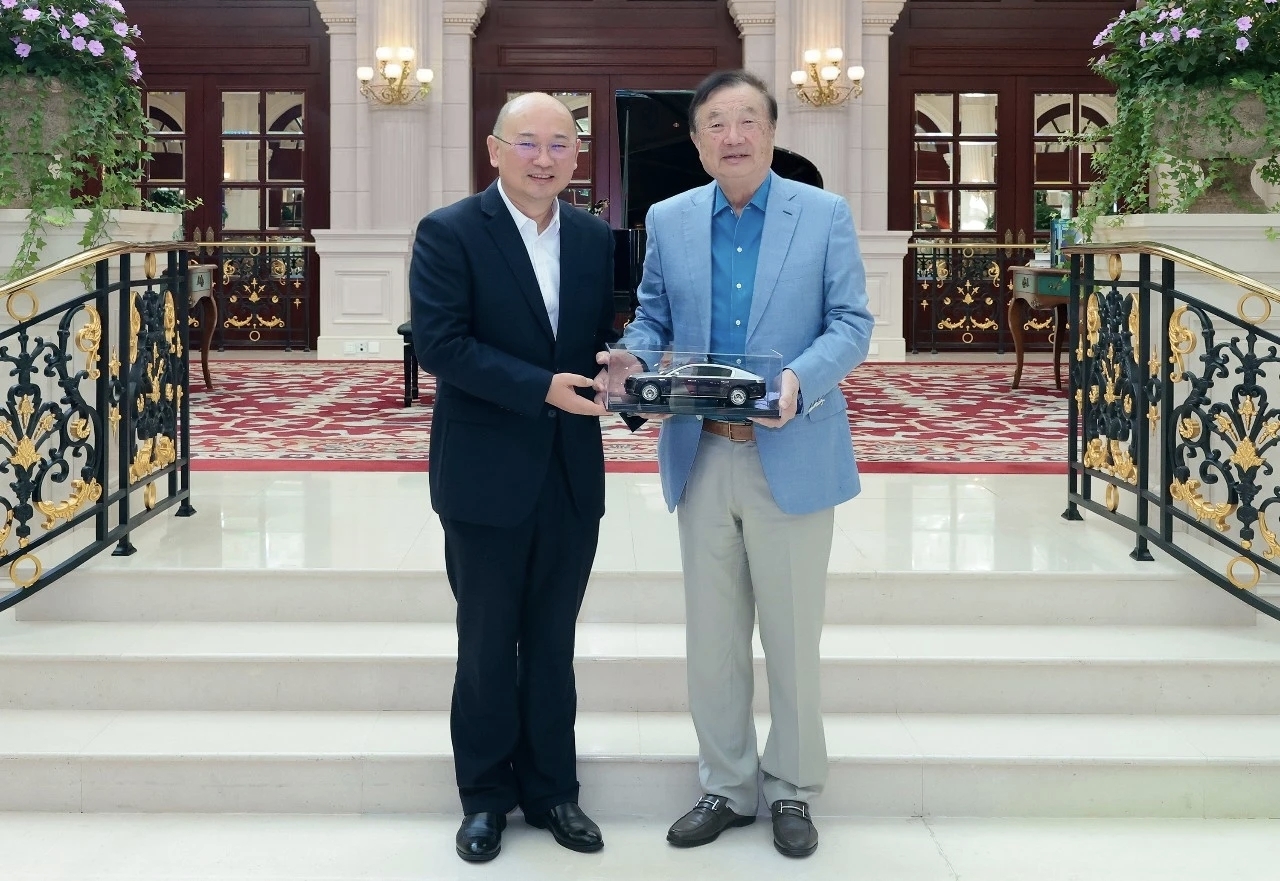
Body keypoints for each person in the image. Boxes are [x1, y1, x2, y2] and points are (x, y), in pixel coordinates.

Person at [603, 70, 873, 858]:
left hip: (791, 449)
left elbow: (851, 323)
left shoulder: (823, 213)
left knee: (791, 638)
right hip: (702, 451)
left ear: (772, 132)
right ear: (695, 141)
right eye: (716, 123)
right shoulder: (671, 218)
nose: (733, 135)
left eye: (747, 119)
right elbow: (653, 318)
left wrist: (800, 380)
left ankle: (793, 788)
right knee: (713, 638)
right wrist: (634, 360)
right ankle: (725, 783)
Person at [410, 91, 617, 864]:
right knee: (488, 643)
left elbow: (599, 338)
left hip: (570, 473)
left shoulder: (592, 238)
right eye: (527, 142)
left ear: (577, 156)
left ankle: (554, 790)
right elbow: (441, 343)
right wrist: (540, 388)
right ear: (494, 150)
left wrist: (621, 370)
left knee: (554, 642)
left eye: (560, 143)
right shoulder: (450, 231)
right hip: (484, 473)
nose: (543, 157)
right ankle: (486, 796)